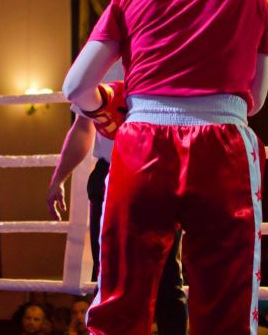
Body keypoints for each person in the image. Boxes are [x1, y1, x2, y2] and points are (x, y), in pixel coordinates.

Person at [63, 0, 268, 335]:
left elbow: (75, 86)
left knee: (120, 299)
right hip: (224, 147)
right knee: (227, 303)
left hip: (141, 144)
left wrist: (104, 108)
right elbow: (256, 100)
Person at [47, 61, 187, 335]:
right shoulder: (102, 58)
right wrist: (58, 178)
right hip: (112, 173)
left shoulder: (170, 54)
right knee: (110, 277)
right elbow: (84, 126)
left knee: (167, 278)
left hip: (159, 171)